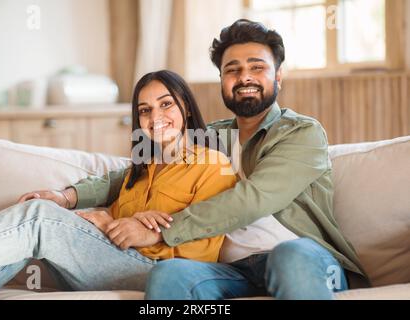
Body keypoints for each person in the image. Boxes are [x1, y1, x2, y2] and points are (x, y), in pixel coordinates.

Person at [58, 19, 369, 300]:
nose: (244, 76)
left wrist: (161, 231)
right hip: (232, 271)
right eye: (232, 70)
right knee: (169, 274)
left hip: (302, 258)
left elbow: (253, 199)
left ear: (278, 76)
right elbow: (132, 173)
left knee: (289, 256)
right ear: (222, 80)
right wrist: (69, 196)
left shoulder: (302, 133)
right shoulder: (210, 137)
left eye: (257, 67)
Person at [0, 70, 236, 300]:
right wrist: (102, 220)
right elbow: (113, 217)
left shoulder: (212, 165)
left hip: (156, 274)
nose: (155, 117)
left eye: (166, 104)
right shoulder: (140, 169)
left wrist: (114, 227)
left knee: (38, 216)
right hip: (108, 258)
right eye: (145, 110)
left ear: (186, 107)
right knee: (19, 241)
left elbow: (200, 253)